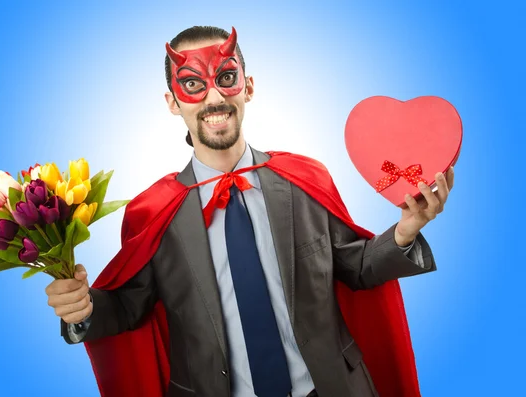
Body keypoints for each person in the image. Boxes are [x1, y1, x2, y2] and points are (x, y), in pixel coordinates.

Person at [45, 26, 454, 397]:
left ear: (249, 86)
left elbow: (356, 268)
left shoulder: (304, 179)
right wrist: (82, 310)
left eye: (226, 78)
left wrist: (405, 230)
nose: (215, 97)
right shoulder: (152, 211)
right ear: (172, 102)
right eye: (192, 85)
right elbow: (127, 309)